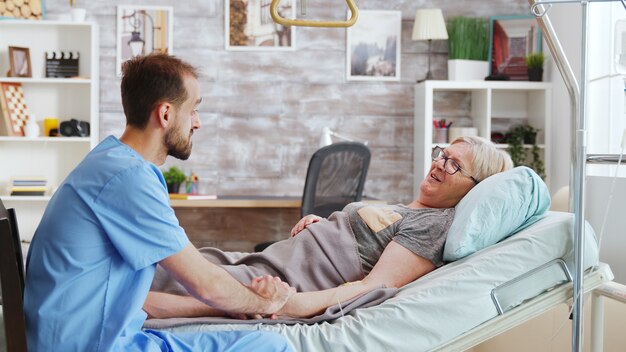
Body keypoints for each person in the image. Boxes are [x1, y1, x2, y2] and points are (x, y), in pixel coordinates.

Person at [23, 53, 295, 351]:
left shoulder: (110, 161)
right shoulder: (129, 177)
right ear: (165, 114)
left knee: (262, 341)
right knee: (271, 347)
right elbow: (206, 283)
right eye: (192, 110)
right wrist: (266, 300)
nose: (197, 123)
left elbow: (140, 301)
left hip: (96, 338)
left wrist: (228, 305)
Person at [147, 136, 514, 319]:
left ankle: (101, 313)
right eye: (442, 154)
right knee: (179, 265)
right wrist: (324, 225)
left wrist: (292, 304)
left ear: (474, 186)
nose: (439, 164)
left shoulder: (434, 225)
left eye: (454, 165)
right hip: (272, 258)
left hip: (287, 279)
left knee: (175, 283)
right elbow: (366, 239)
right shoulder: (407, 207)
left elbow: (373, 285)